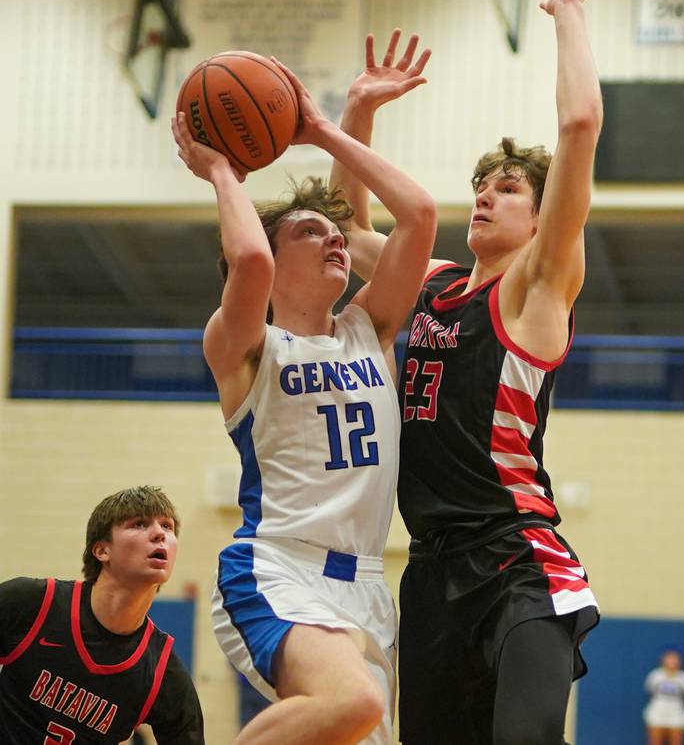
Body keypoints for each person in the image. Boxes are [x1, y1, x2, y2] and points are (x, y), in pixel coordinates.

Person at [330, 0, 609, 745]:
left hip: (517, 561)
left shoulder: (536, 287)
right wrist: (358, 113)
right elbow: (351, 232)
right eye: (480, 186)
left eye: (509, 188)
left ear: (540, 214)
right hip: (426, 566)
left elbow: (582, 121)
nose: (486, 196)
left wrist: (567, 14)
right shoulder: (439, 281)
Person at [172, 57, 436, 745]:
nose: (336, 238)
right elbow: (251, 264)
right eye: (310, 231)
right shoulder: (244, 347)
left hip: (370, 585)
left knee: (354, 724)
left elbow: (420, 214)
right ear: (268, 252)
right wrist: (223, 173)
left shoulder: (367, 330)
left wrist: (323, 127)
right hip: (278, 565)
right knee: (351, 703)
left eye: (337, 230)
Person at [0, 486, 204, 743]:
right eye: (140, 524)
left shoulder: (162, 672)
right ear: (101, 551)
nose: (159, 534)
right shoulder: (32, 603)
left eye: (167, 526)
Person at [643, 648, 684, 745]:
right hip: (657, 712)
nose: (672, 661)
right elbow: (650, 690)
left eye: (675, 658)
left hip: (676, 713)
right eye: (669, 658)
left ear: (679, 661)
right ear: (663, 660)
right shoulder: (655, 676)